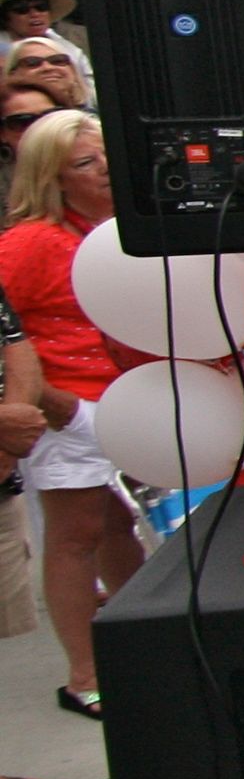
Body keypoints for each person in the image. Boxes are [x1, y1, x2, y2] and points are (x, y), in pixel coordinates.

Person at [0, 113, 143, 722]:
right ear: (51, 178)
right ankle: (85, 676)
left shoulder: (107, 231)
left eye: (108, 157)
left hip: (112, 403)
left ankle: (137, 653)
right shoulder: (31, 240)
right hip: (63, 412)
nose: (105, 171)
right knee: (77, 536)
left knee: (115, 528)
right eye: (86, 163)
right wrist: (45, 398)